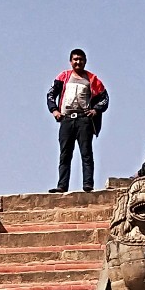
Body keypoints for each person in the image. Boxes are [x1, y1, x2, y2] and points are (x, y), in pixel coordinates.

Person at [47, 49, 109, 192]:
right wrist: (54, 110)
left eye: (80, 59)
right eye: (75, 59)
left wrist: (95, 110)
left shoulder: (92, 79)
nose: (78, 62)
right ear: (71, 61)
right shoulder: (63, 76)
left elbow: (105, 98)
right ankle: (62, 186)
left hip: (84, 120)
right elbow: (50, 94)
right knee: (65, 154)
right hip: (66, 119)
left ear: (85, 61)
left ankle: (88, 184)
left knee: (86, 153)